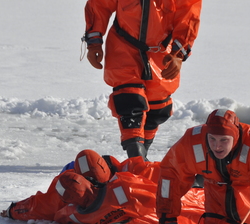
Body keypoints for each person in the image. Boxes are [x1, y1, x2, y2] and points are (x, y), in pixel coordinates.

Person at [83, 0, 202, 160]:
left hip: (161, 50)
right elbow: (99, 5)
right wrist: (94, 41)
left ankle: (141, 155)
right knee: (130, 99)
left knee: (158, 106)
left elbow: (188, 14)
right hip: (123, 45)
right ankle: (135, 154)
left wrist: (179, 53)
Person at [1, 149, 204, 224]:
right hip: (183, 205)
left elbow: (37, 207)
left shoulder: (68, 205)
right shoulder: (127, 180)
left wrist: (13, 210)